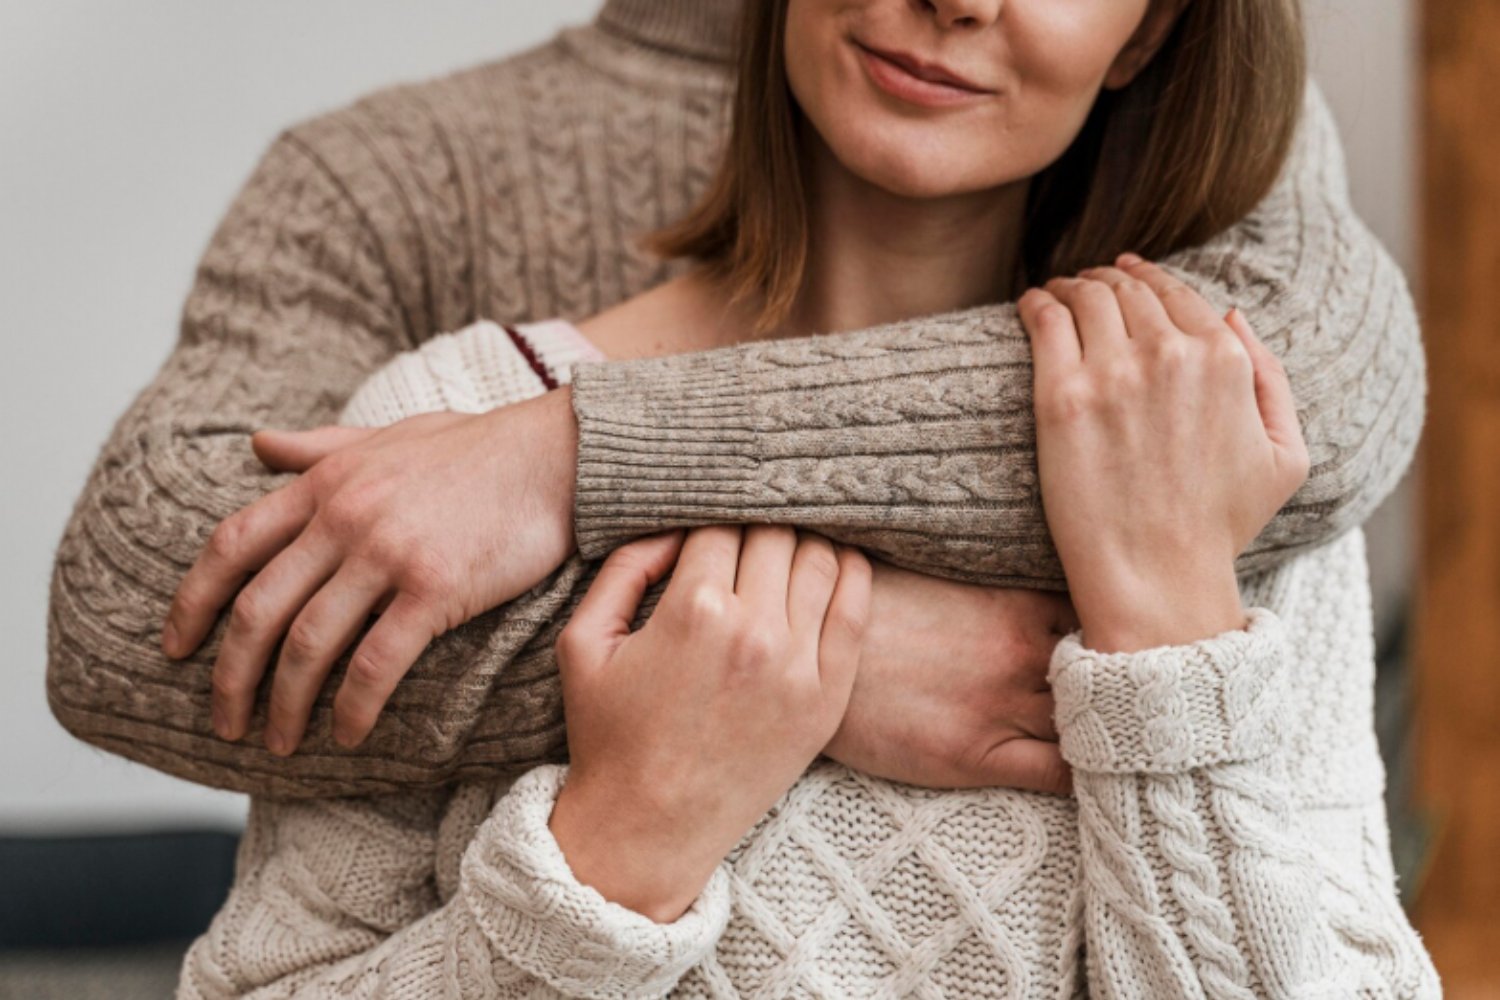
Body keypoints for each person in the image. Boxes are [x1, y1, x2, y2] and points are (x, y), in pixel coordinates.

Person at [43, 0, 1434, 994]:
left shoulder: (1195, 441)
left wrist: (1164, 633)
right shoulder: (440, 434)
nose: (954, 2)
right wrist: (617, 850)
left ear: (1146, 33)